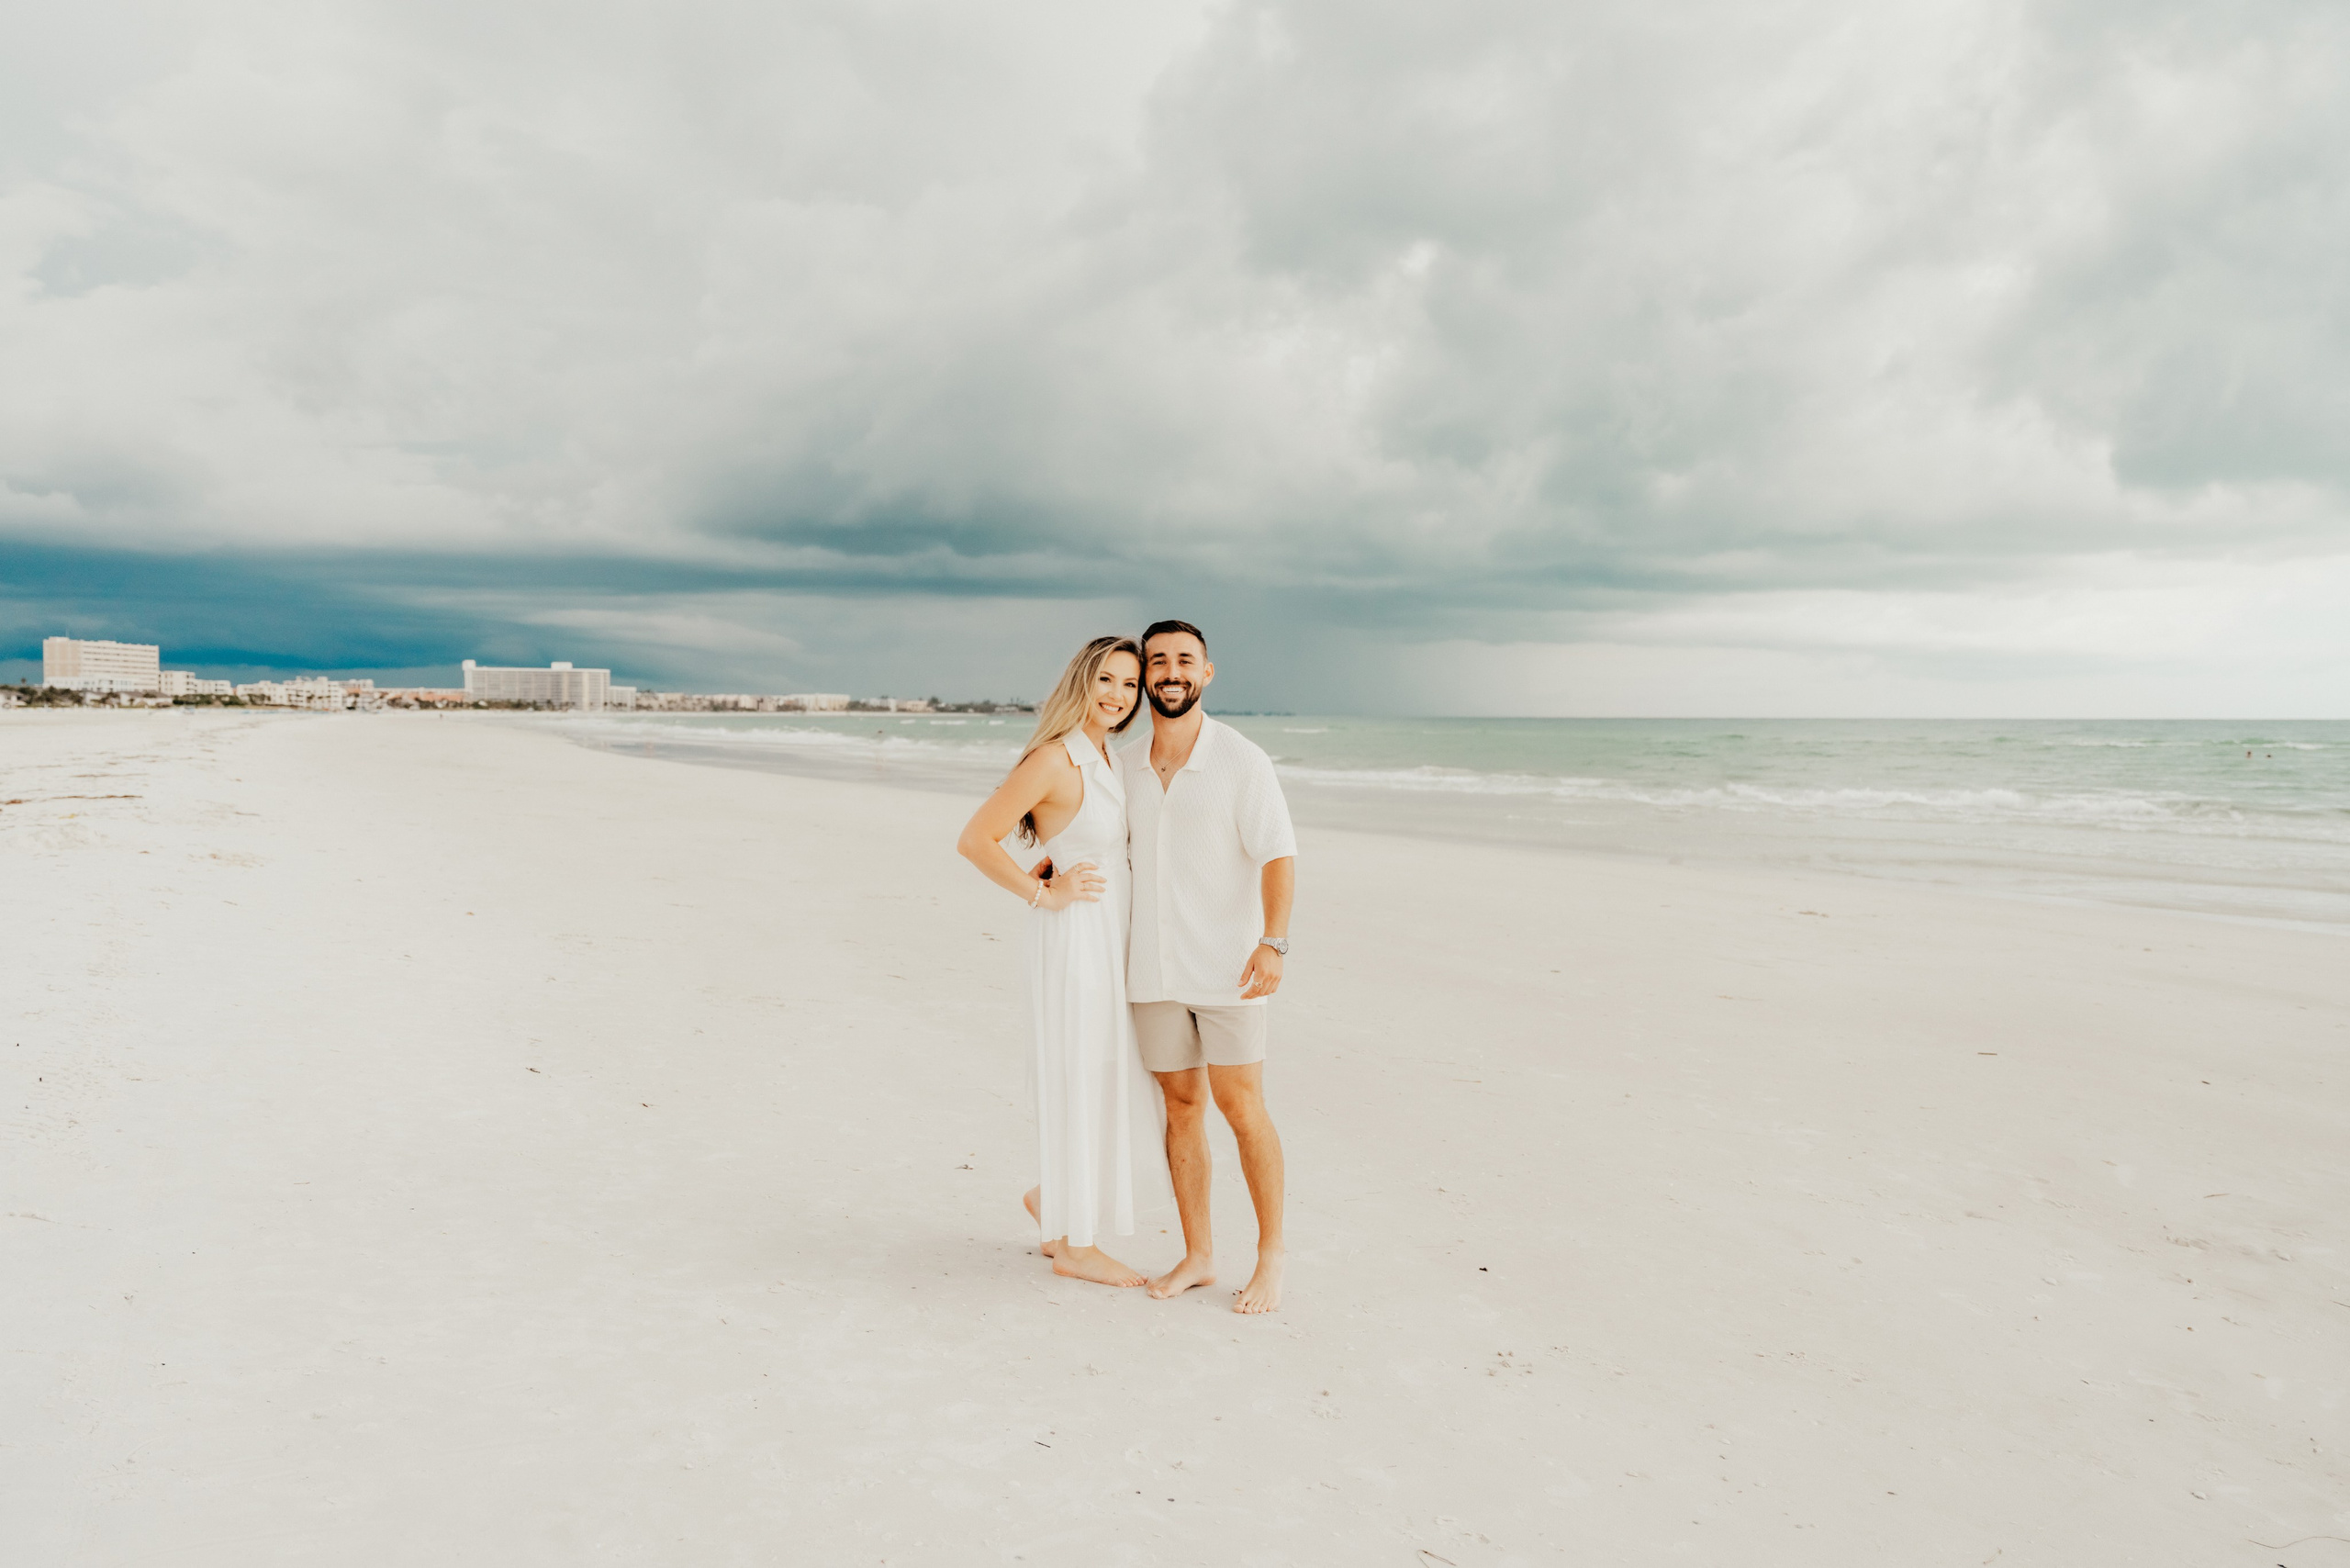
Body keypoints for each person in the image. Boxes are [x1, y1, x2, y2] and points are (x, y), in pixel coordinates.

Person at [956, 636, 1172, 1286]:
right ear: (1082, 682)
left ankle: (1055, 1207)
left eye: (1130, 685)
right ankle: (1075, 1246)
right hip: (1077, 938)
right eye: (1106, 679)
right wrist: (1044, 891)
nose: (1117, 694)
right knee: (1083, 1072)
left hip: (1113, 937)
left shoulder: (1111, 756)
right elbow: (975, 839)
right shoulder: (1055, 759)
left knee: (1104, 1070)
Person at [1120, 620, 1298, 1314]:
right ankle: (1197, 1254)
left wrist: (1274, 943)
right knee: (1182, 1107)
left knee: (1241, 1108)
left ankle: (1271, 1258)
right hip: (1152, 973)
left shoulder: (1241, 760)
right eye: (1158, 660)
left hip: (1230, 969)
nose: (1170, 671)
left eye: (1184, 661)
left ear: (1207, 673)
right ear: (1144, 672)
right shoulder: (1123, 762)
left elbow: (1279, 854)